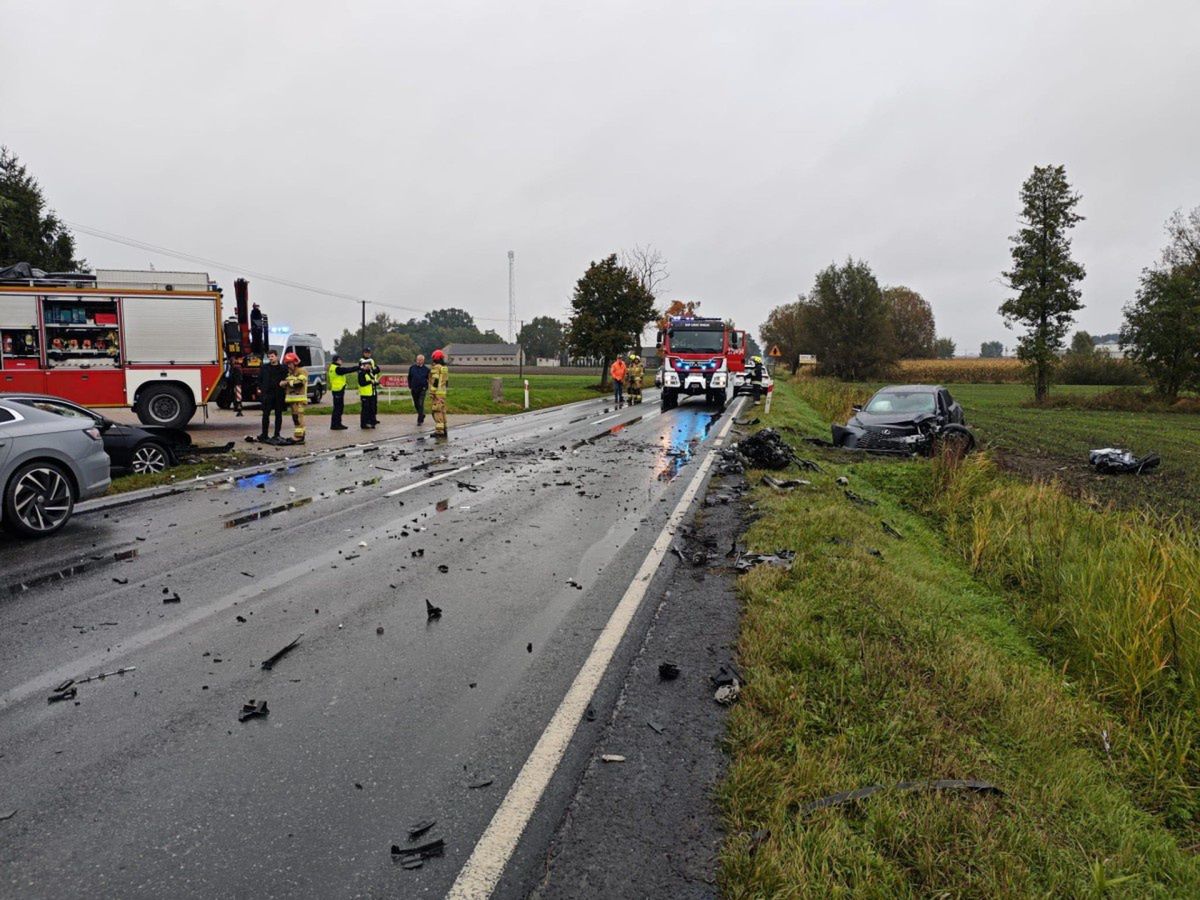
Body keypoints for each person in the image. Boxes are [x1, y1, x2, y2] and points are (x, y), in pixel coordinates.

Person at [258, 349, 286, 442]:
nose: (270, 358)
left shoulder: (283, 368)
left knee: (278, 414)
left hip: (279, 394)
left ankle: (277, 434)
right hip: (267, 394)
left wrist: (284, 383)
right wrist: (262, 389)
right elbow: (260, 379)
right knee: (265, 415)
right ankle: (264, 434)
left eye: (272, 356)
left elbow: (287, 378)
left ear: (277, 356)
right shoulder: (264, 368)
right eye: (269, 357)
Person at [282, 352, 308, 443]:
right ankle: (299, 436)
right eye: (287, 364)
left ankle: (299, 437)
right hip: (293, 400)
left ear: (295, 362)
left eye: (289, 363)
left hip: (299, 400)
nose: (288, 366)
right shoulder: (291, 373)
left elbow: (300, 382)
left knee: (298, 418)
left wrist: (287, 383)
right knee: (295, 418)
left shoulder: (301, 371)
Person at [326, 354, 357, 430]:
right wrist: (357, 367)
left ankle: (337, 424)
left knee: (338, 408)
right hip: (338, 390)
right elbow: (347, 370)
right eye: (340, 360)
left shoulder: (332, 367)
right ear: (337, 360)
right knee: (338, 408)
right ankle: (335, 425)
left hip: (337, 390)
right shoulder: (336, 368)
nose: (341, 361)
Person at [358, 347, 381, 429]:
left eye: (369, 352)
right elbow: (362, 381)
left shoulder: (371, 360)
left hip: (372, 389)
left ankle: (373, 419)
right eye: (366, 352)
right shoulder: (362, 361)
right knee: (366, 408)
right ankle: (366, 422)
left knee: (373, 406)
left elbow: (377, 369)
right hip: (366, 391)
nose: (367, 354)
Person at [429, 348, 449, 438]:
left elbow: (435, 380)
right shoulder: (445, 368)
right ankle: (444, 428)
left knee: (436, 411)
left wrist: (432, 392)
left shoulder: (436, 367)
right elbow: (446, 381)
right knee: (442, 410)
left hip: (437, 393)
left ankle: (439, 431)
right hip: (443, 392)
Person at [408, 354, 430, 425]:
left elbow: (429, 379)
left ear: (423, 361)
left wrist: (426, 387)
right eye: (418, 360)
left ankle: (419, 420)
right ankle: (422, 414)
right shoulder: (412, 368)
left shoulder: (426, 369)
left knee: (420, 403)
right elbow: (409, 377)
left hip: (422, 389)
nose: (419, 361)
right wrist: (410, 385)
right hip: (414, 388)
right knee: (416, 404)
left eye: (421, 360)